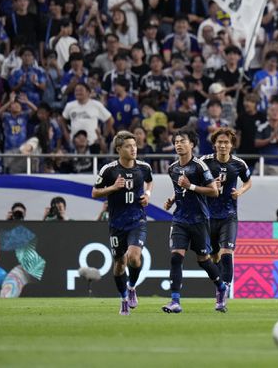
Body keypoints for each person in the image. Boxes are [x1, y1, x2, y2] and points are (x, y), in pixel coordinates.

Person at [163, 128, 227, 314]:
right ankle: (175, 301)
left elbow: (213, 191)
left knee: (204, 260)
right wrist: (172, 200)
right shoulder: (173, 168)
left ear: (192, 144)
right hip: (180, 218)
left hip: (199, 218)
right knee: (176, 257)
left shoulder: (200, 166)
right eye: (176, 141)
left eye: (182, 141)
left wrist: (190, 185)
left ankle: (221, 287)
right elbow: (180, 190)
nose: (178, 144)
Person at [92, 131, 153, 316]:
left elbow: (149, 182)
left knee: (134, 257)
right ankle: (124, 298)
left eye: (134, 145)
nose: (133, 149)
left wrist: (147, 195)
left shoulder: (143, 167)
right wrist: (112, 188)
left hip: (138, 220)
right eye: (128, 146)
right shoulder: (109, 170)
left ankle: (132, 286)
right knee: (119, 263)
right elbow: (95, 192)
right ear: (119, 149)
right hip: (117, 224)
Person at [200, 128, 252, 311]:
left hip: (229, 216)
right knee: (213, 256)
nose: (223, 145)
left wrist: (240, 191)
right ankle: (219, 286)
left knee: (227, 252)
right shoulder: (204, 162)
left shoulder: (238, 164)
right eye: (220, 142)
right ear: (214, 144)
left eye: (226, 142)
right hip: (208, 216)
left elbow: (248, 181)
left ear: (232, 145)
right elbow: (194, 181)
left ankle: (223, 294)